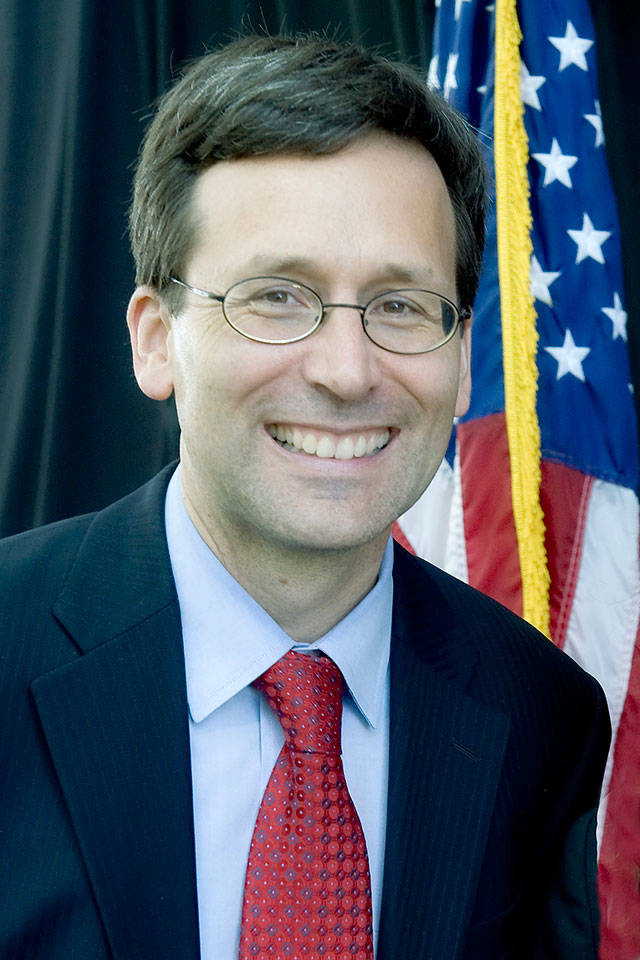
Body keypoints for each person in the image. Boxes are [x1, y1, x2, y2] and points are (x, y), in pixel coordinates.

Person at [0, 32, 610, 960]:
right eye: (278, 297)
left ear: (461, 359)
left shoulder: (543, 717)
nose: (347, 371)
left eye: (401, 305)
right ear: (156, 340)